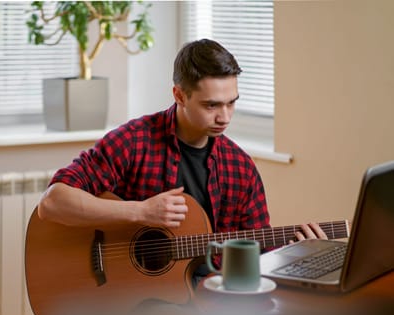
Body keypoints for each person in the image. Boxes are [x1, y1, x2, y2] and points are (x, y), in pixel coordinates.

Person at [38, 38, 328, 286]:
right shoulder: (134, 141)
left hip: (210, 297)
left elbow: (258, 254)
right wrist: (141, 212)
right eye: (211, 105)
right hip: (134, 298)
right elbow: (52, 203)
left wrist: (293, 253)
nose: (225, 117)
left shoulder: (241, 167)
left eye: (231, 103)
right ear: (179, 95)